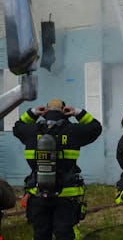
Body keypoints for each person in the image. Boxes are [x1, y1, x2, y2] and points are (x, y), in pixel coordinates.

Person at [13, 98, 102, 240]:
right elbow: (96, 127)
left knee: (40, 234)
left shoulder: (31, 131)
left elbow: (17, 127)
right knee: (65, 234)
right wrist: (78, 113)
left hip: (38, 194)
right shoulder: (73, 131)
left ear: (46, 111)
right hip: (66, 195)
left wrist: (33, 113)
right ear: (64, 112)